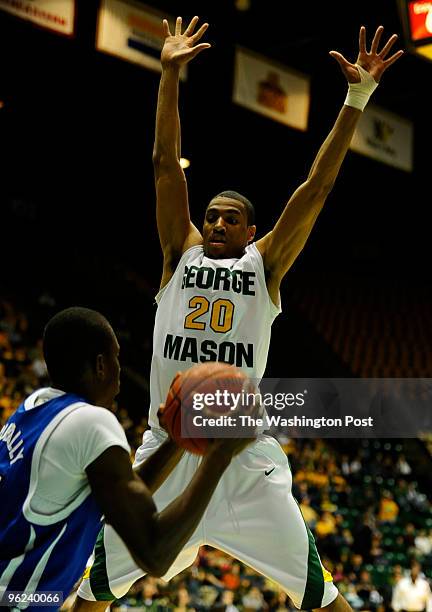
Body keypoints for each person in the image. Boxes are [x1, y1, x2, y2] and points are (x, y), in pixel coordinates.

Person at [74, 16, 403, 612]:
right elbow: (162, 163)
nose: (219, 222)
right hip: (167, 450)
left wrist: (357, 97)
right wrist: (169, 74)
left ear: (252, 231)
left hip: (242, 457)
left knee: (324, 599)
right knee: (91, 591)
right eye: (213, 215)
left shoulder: (266, 266)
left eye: (232, 218)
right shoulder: (179, 255)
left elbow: (316, 186)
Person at [0, 307, 251, 610]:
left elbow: (124, 493)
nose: (121, 369)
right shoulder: (91, 423)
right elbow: (155, 553)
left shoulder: (33, 409)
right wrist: (220, 454)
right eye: (117, 358)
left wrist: (177, 439)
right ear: (101, 365)